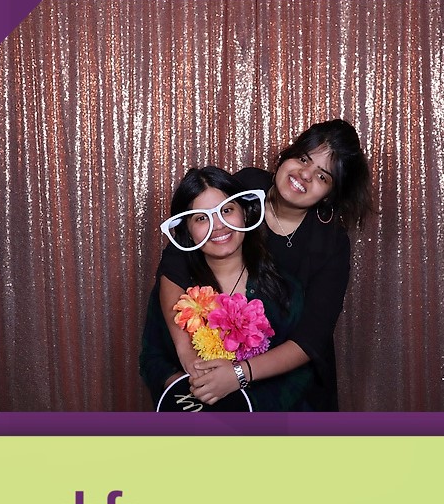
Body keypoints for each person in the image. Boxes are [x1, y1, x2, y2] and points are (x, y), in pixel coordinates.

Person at [155, 121, 371, 410]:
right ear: (287, 155)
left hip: (293, 391)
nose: (304, 175)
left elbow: (312, 338)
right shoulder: (246, 187)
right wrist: (187, 355)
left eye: (322, 176)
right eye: (303, 158)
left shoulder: (331, 241)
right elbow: (176, 260)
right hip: (214, 372)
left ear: (330, 194)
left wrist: (238, 374)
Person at [139, 166, 316, 410]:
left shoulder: (283, 289)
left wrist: (241, 399)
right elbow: (151, 358)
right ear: (188, 231)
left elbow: (301, 374)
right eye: (201, 218)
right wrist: (191, 387)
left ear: (245, 213)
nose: (218, 225)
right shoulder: (177, 292)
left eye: (226, 210)